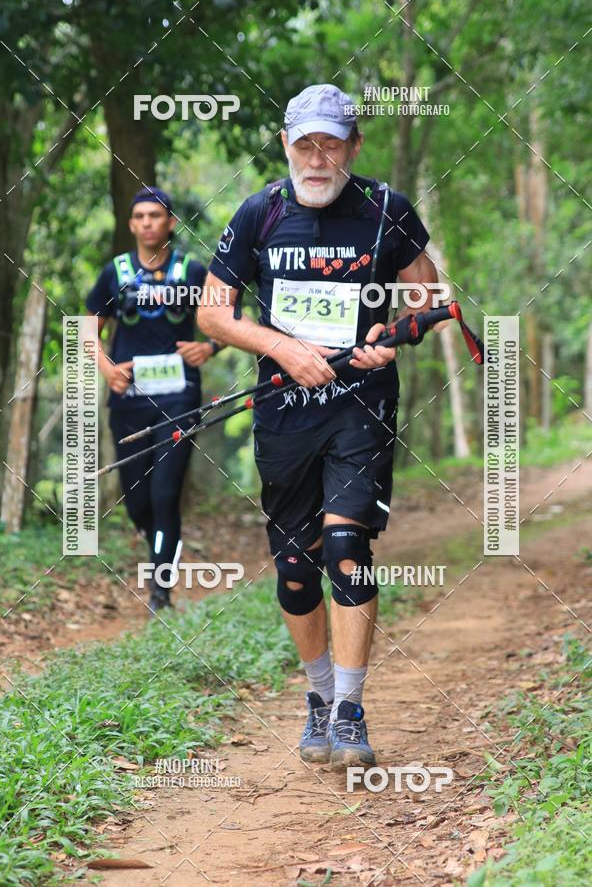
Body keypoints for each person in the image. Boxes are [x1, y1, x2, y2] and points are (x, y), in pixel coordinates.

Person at [198, 84, 439, 770]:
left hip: (360, 403)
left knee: (345, 547)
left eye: (330, 142)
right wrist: (282, 348)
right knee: (297, 569)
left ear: (352, 147)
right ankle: (320, 696)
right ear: (285, 145)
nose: (317, 155)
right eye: (305, 142)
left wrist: (390, 335)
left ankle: (352, 709)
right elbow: (214, 316)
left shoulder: (386, 209)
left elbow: (429, 296)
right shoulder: (260, 214)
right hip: (281, 408)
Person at [86, 186, 221, 614]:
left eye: (156, 216)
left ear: (170, 224)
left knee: (165, 494)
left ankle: (160, 592)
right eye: (140, 216)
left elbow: (230, 319)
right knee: (138, 500)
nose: (147, 223)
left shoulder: (192, 270)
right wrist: (106, 367)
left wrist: (211, 347)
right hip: (128, 399)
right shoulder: (116, 272)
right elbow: (89, 328)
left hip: (180, 397)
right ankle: (160, 545)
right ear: (131, 225)